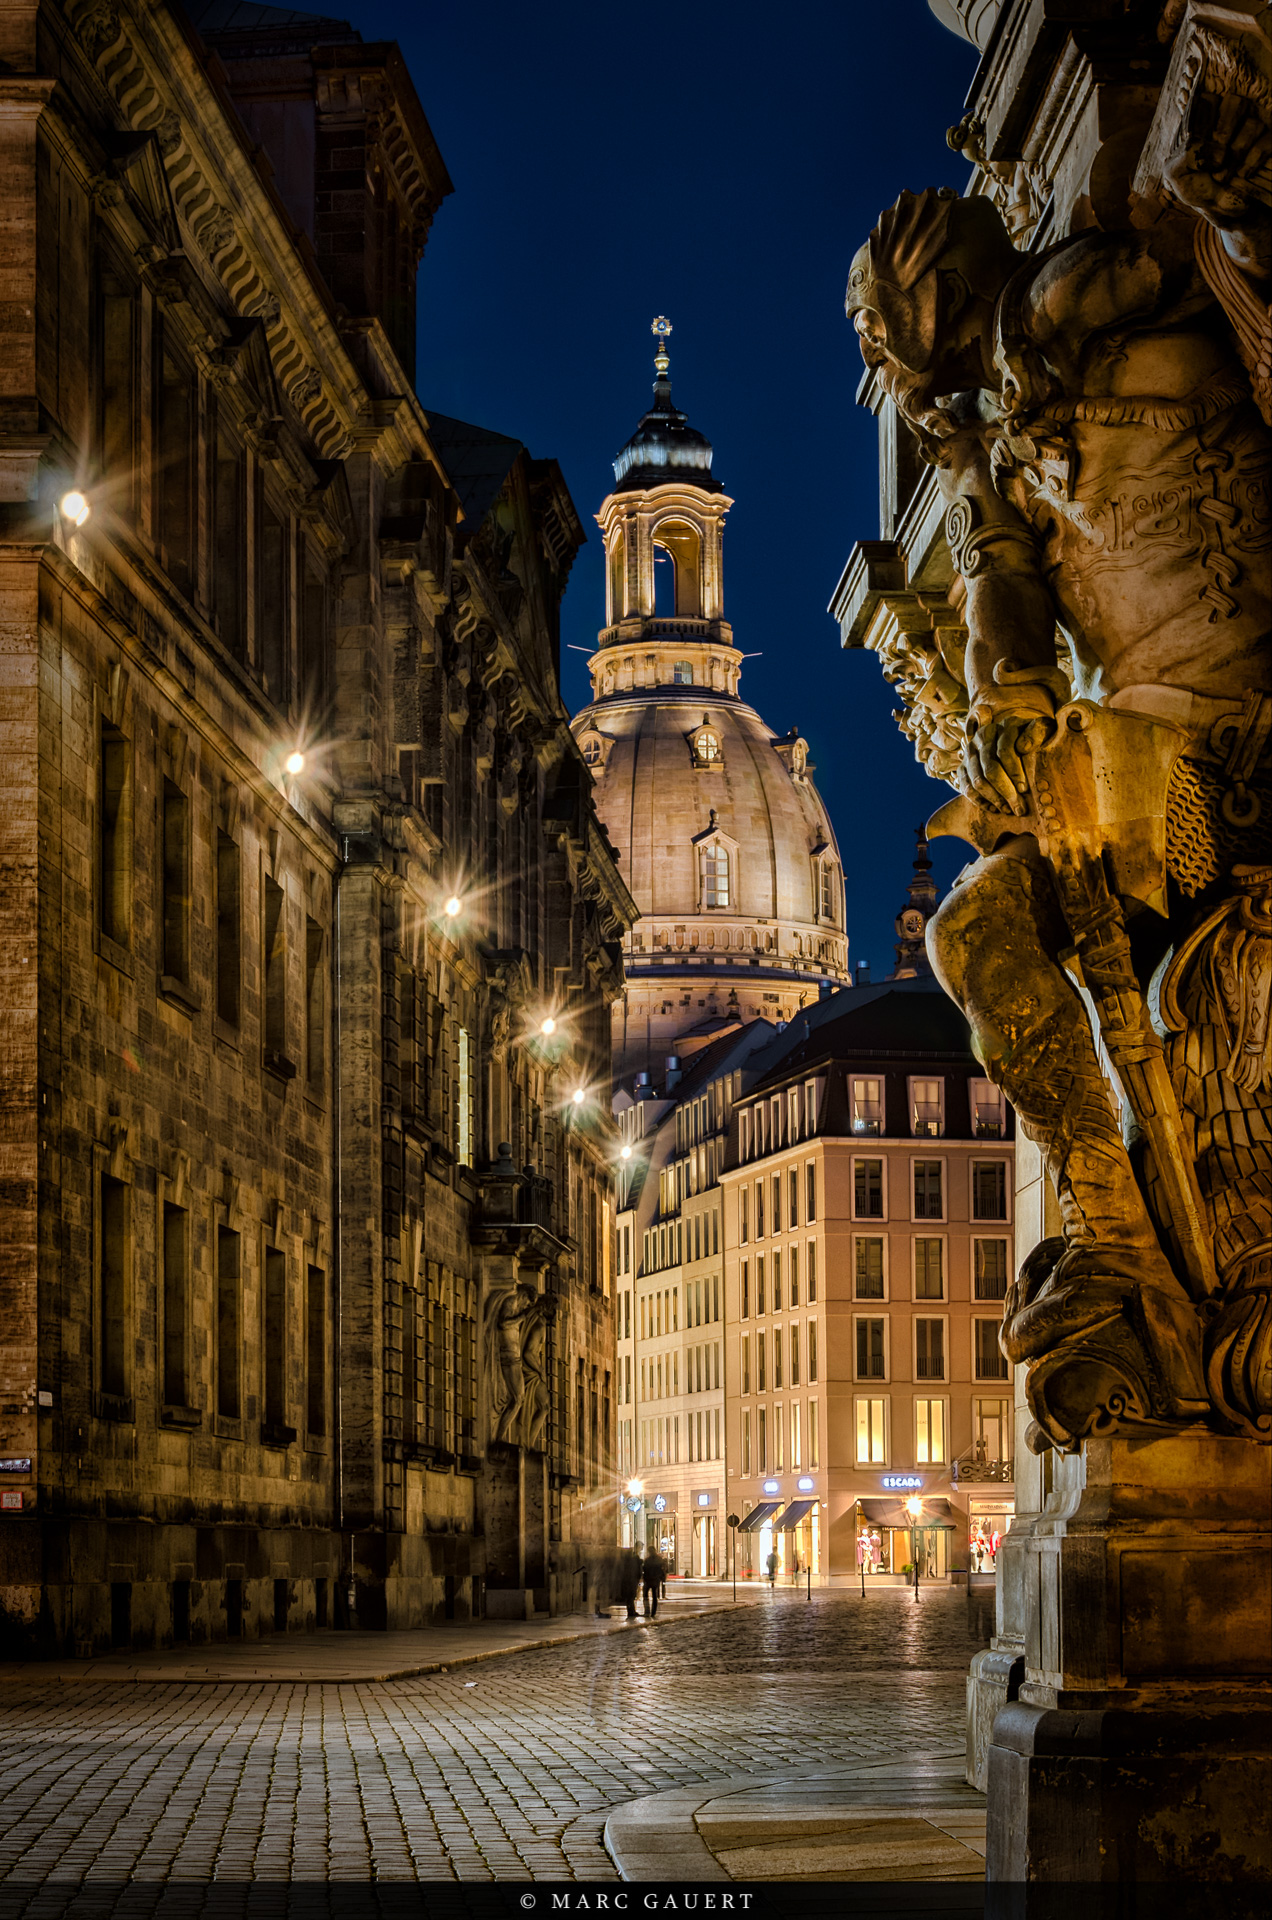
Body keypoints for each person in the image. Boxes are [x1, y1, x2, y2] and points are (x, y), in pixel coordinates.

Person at [618, 1547, 642, 1620]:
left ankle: (631, 1610)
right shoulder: (633, 1560)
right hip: (631, 1581)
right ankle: (631, 1611)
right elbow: (637, 1570)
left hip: (629, 1581)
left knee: (630, 1597)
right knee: (631, 1596)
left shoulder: (625, 1561)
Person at [641, 1547, 664, 1618]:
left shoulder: (647, 1560)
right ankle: (653, 1612)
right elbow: (662, 1569)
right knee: (654, 1596)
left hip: (648, 1580)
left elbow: (644, 1569)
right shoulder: (659, 1559)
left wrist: (644, 1577)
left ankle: (647, 1611)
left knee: (645, 1595)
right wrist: (661, 1578)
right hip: (655, 1580)